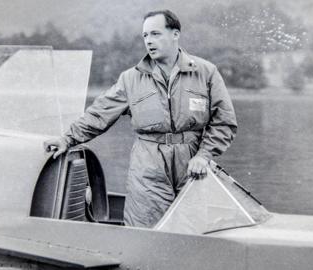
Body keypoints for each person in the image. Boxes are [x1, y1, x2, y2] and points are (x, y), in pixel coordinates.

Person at [44, 10, 237, 228]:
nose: (149, 41)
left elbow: (224, 122)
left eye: (155, 34)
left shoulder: (205, 72)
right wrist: (67, 139)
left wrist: (203, 156)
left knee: (193, 235)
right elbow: (99, 114)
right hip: (148, 171)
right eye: (145, 36)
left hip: (193, 169)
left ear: (175, 34)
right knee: (144, 233)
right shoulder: (131, 79)